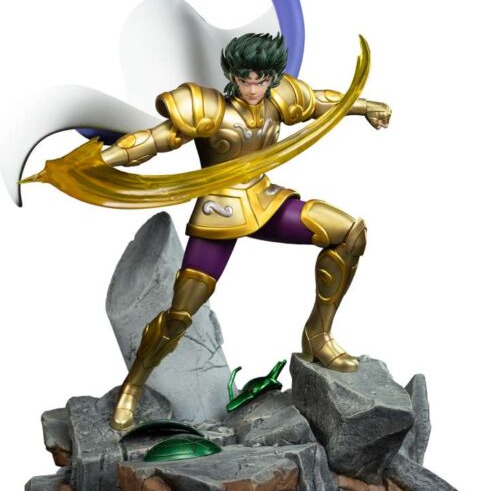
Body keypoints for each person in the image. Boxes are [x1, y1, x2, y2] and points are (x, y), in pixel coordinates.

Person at [98, 32, 391, 431]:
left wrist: (366, 107)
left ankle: (318, 335)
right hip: (219, 212)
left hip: (265, 202)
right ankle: (133, 385)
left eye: (261, 79)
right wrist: (108, 158)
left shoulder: (280, 99)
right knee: (180, 315)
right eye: (245, 79)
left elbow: (322, 101)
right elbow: (159, 138)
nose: (253, 88)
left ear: (272, 77)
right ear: (232, 76)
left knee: (349, 232)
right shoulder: (209, 109)